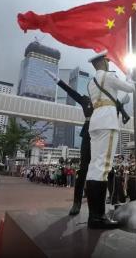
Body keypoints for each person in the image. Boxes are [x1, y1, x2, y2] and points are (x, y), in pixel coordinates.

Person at [85, 51, 134, 229]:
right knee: (104, 166)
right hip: (107, 121)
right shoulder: (108, 76)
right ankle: (98, 217)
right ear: (104, 63)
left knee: (94, 165)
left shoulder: (91, 82)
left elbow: (109, 98)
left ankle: (95, 215)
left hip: (96, 121)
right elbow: (130, 88)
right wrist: (129, 75)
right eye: (108, 61)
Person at [44, 69, 94, 215]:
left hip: (101, 134)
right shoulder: (85, 100)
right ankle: (76, 203)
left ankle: (114, 199)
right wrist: (57, 80)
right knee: (83, 169)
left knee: (107, 170)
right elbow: (71, 92)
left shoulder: (106, 101)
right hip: (88, 134)